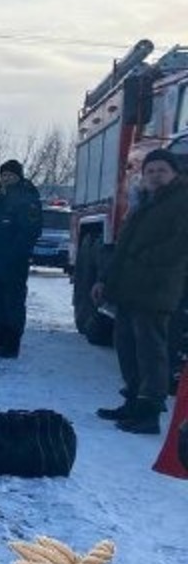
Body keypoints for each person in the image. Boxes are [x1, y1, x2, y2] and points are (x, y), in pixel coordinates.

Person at [91, 148, 188, 434]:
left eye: (162, 170)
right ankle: (133, 401)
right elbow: (122, 247)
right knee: (127, 347)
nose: (156, 176)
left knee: (151, 351)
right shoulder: (143, 203)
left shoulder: (181, 201)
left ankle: (149, 413)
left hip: (156, 288)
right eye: (150, 171)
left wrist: (142, 260)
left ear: (175, 174)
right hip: (129, 288)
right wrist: (104, 280)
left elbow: (180, 245)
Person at [0, 159, 43, 357]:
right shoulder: (0, 198)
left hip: (14, 262)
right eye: (4, 175)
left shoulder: (27, 198)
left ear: (19, 177)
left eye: (11, 175)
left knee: (12, 303)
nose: (6, 178)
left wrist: (16, 254)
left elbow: (30, 231)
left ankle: (11, 346)